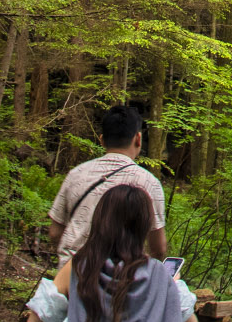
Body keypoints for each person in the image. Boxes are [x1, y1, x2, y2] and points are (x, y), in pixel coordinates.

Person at [22, 182, 199, 322]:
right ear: (144, 226)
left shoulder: (79, 267)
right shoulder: (159, 275)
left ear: (100, 220)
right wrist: (175, 286)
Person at [49, 105, 168, 263]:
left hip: (72, 277)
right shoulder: (149, 183)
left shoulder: (76, 174)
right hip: (123, 281)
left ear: (102, 140)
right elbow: (158, 249)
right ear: (138, 139)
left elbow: (55, 233)